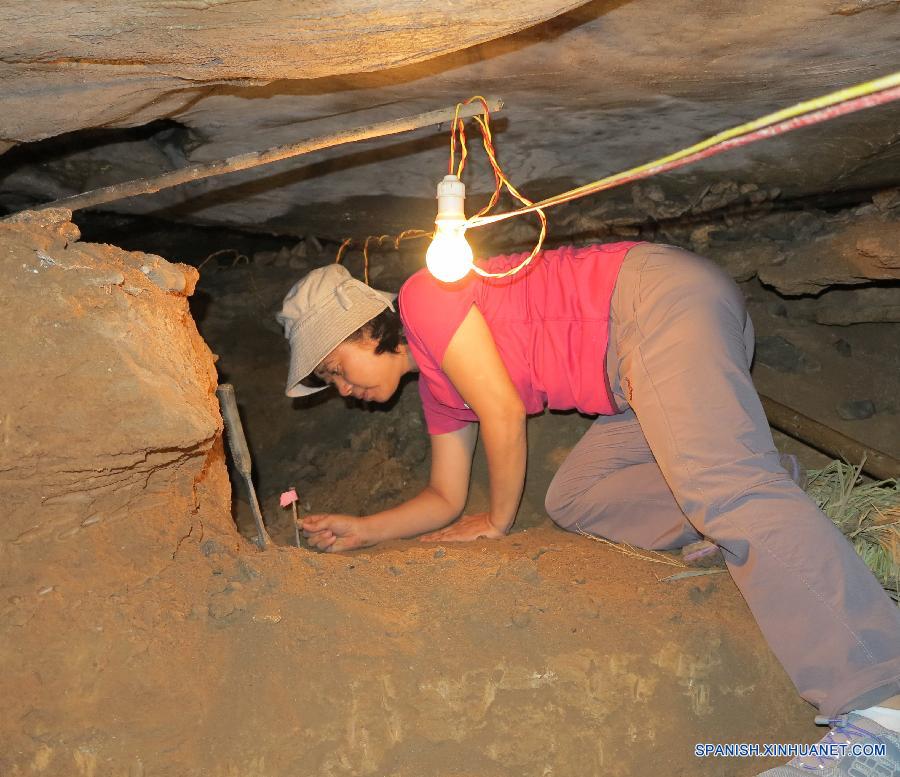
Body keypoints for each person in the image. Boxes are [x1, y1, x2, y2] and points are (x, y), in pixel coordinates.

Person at [277, 241, 900, 775]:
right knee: (576, 496)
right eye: (331, 383)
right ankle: (769, 490)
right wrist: (365, 529)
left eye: (335, 368)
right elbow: (445, 497)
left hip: (654, 303)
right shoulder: (443, 396)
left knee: (723, 485)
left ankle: (882, 709)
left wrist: (498, 522)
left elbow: (503, 412)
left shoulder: (424, 297)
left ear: (367, 328)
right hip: (633, 374)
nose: (343, 389)